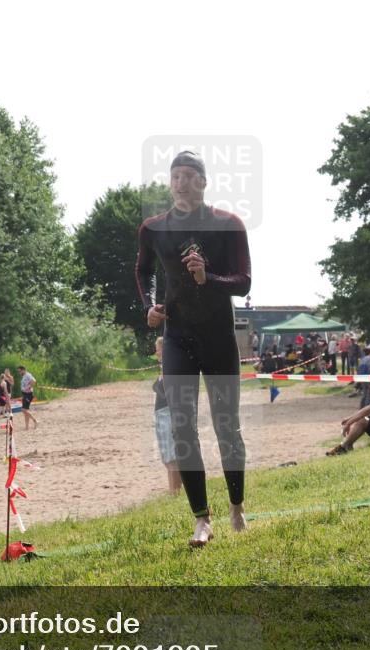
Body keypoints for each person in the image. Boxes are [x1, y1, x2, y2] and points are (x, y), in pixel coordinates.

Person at [135, 149, 251, 547]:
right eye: (175, 176)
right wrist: (149, 305)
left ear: (203, 181)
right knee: (183, 426)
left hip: (219, 337)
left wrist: (208, 278)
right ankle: (202, 518)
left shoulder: (228, 225)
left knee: (226, 427)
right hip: (178, 337)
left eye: (188, 175)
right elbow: (144, 270)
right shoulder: (153, 228)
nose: (181, 182)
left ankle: (237, 505)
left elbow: (244, 282)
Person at [153, 337, 182, 494]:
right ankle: (175, 491)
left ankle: (174, 492)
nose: (156, 352)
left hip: (167, 414)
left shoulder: (170, 368)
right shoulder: (166, 367)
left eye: (158, 348)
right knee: (169, 457)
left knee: (171, 458)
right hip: (163, 414)